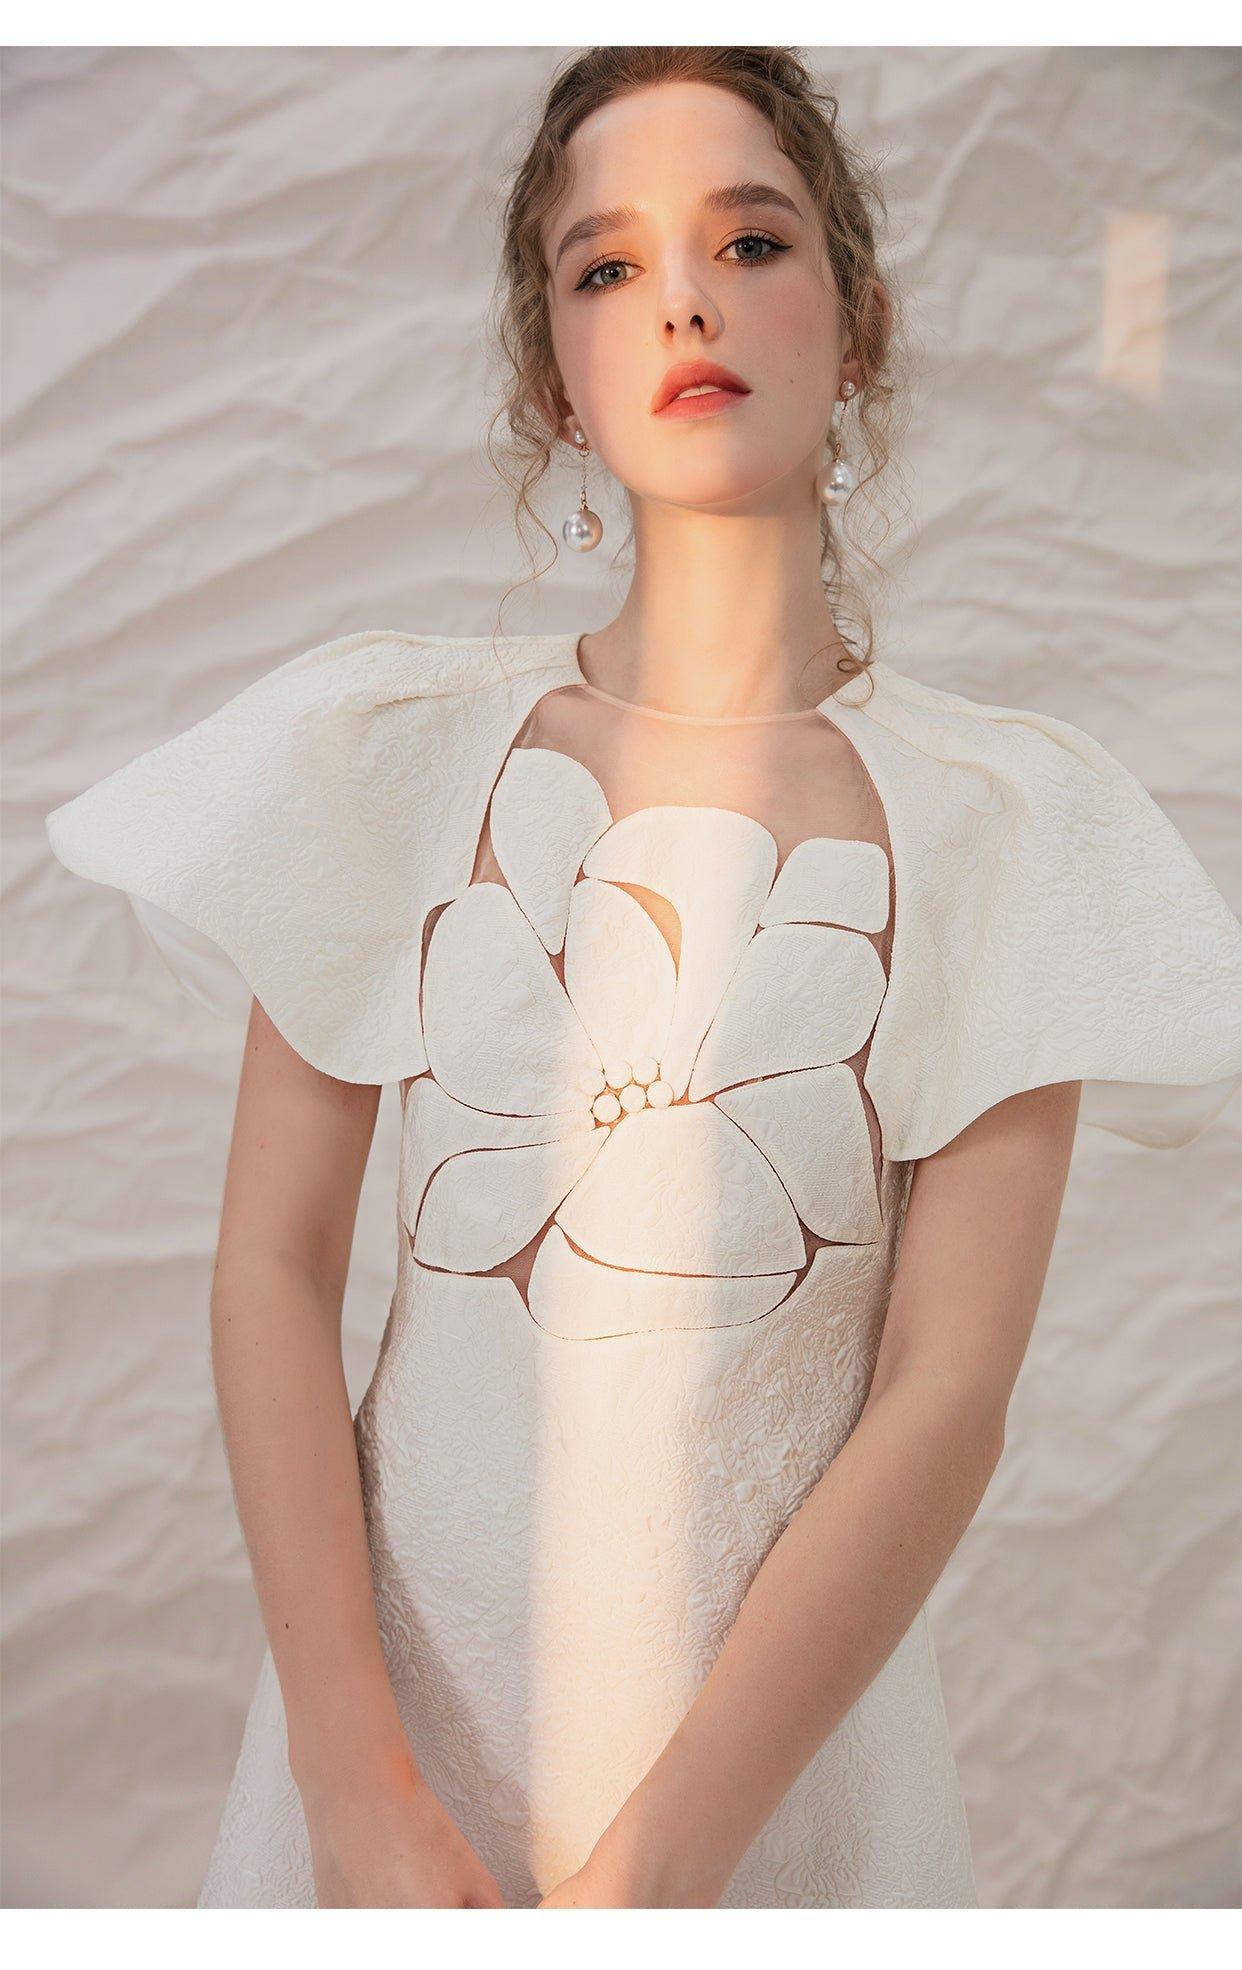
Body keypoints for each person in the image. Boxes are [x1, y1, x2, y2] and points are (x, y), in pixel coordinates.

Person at [43, 48, 1242, 1911]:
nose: (682, 298)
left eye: (748, 240)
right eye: (605, 266)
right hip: (398, 1758)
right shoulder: (390, 755)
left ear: (860, 322)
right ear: (552, 375)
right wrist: (351, 1777)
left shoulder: (1010, 830)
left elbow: (943, 1391)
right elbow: (272, 1264)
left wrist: (658, 1872)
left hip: (782, 1786)